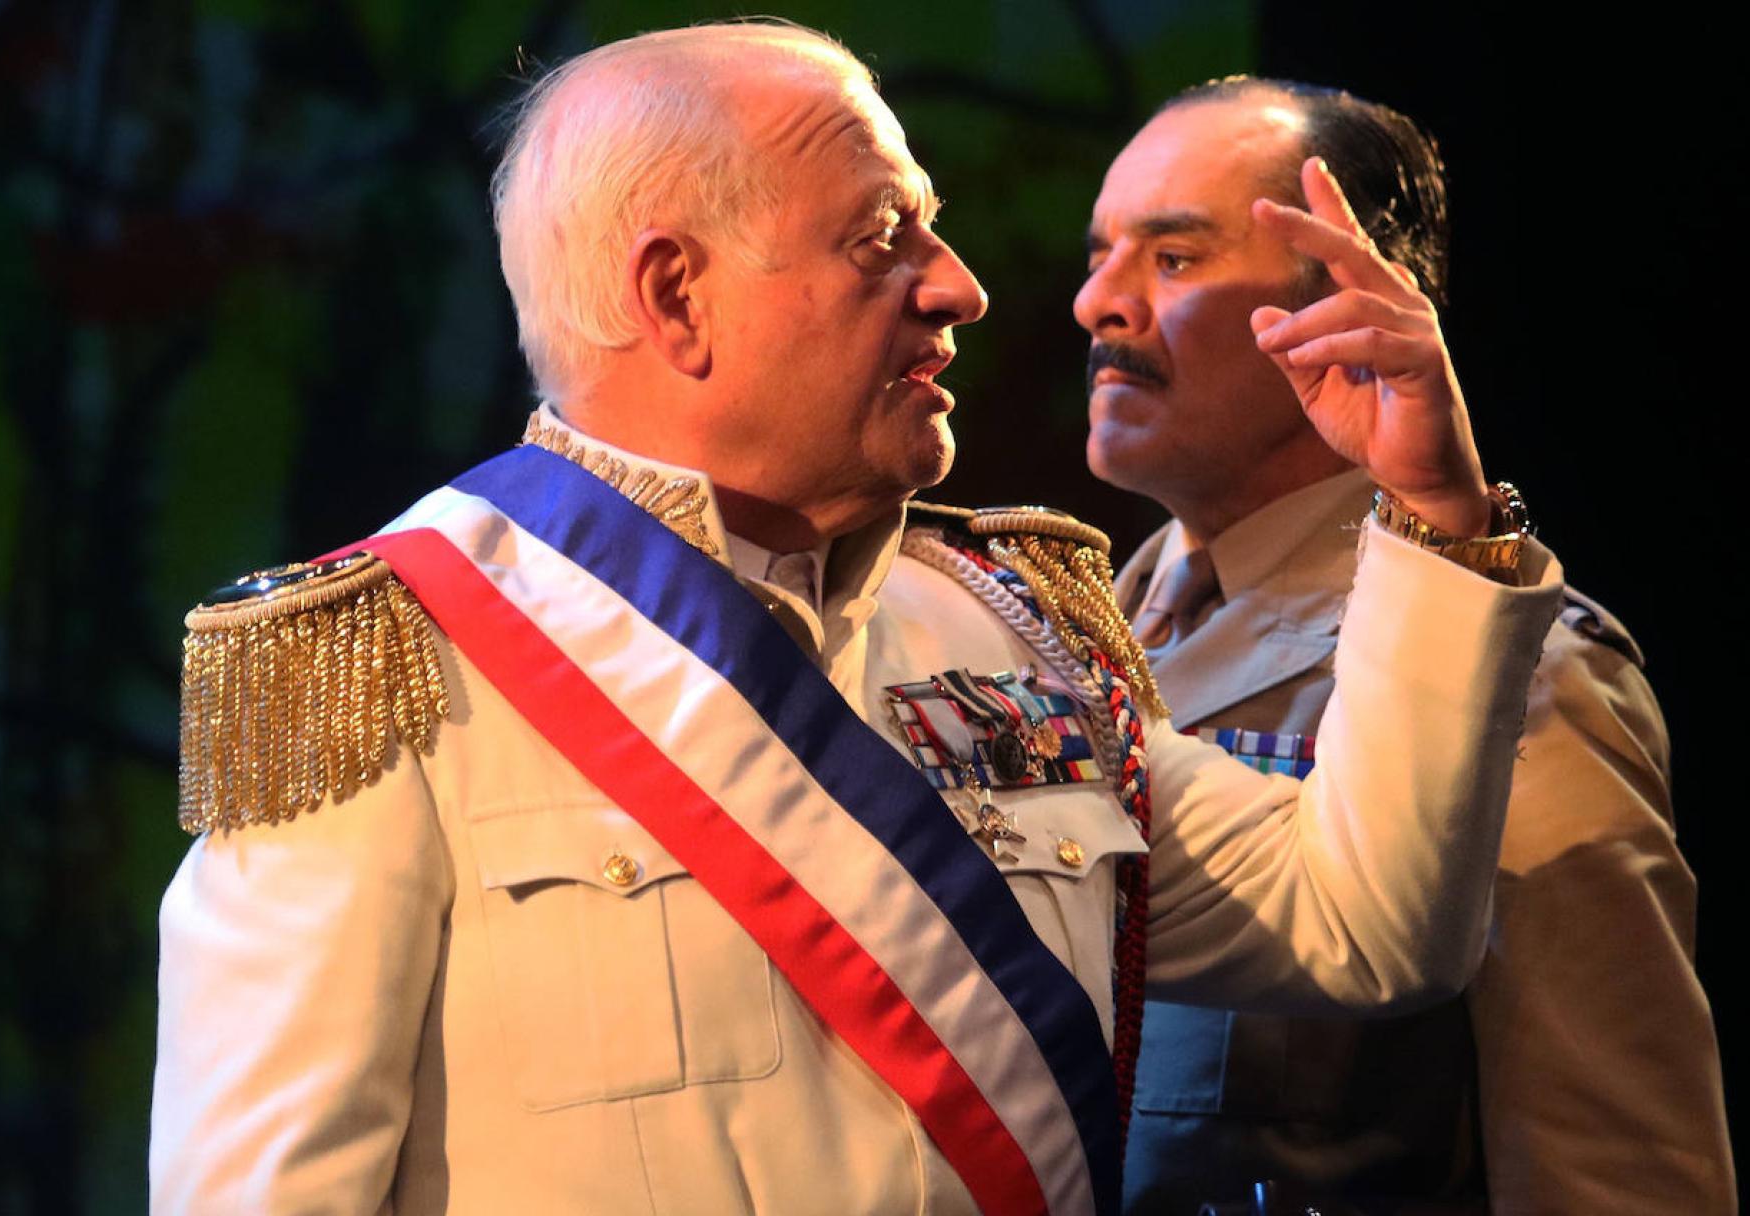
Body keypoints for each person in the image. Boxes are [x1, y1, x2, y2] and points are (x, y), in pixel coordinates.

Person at [150, 27, 1565, 1215]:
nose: (965, 287)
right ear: (676, 296)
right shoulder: (388, 666)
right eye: (884, 236)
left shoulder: (1014, 632)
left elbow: (1372, 926)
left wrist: (1436, 515)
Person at [1077, 78, 1736, 1215]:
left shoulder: (1516, 676)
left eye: (1173, 259)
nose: (1099, 302)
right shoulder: (1064, 641)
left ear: (1346, 303)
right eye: (1101, 254)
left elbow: (1618, 1166)